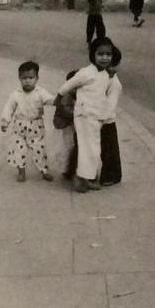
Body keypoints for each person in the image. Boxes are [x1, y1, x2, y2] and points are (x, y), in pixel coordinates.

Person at [56, 37, 116, 193]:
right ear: (93, 55)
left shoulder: (104, 74)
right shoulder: (86, 72)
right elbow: (69, 84)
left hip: (95, 118)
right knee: (86, 148)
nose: (105, 57)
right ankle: (79, 179)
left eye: (108, 54)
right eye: (100, 54)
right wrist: (59, 96)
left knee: (94, 149)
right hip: (83, 116)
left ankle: (89, 177)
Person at [0, 60, 55, 182]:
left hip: (36, 127)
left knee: (39, 149)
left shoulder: (40, 92)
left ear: (36, 78)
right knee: (20, 150)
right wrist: (5, 121)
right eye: (24, 78)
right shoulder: (16, 94)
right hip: (19, 127)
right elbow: (9, 108)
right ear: (19, 78)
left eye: (31, 77)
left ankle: (44, 170)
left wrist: (57, 101)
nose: (28, 80)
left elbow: (50, 99)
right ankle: (21, 171)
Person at [100, 45, 123, 186]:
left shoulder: (115, 84)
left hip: (107, 120)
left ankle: (111, 175)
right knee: (106, 149)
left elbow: (110, 105)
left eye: (114, 65)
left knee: (109, 150)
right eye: (109, 65)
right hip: (100, 118)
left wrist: (102, 120)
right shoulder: (103, 78)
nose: (111, 68)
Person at [53, 70, 78, 181]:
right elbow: (66, 112)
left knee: (71, 146)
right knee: (66, 147)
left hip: (70, 125)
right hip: (64, 126)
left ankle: (70, 169)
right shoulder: (66, 97)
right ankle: (67, 169)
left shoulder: (74, 96)